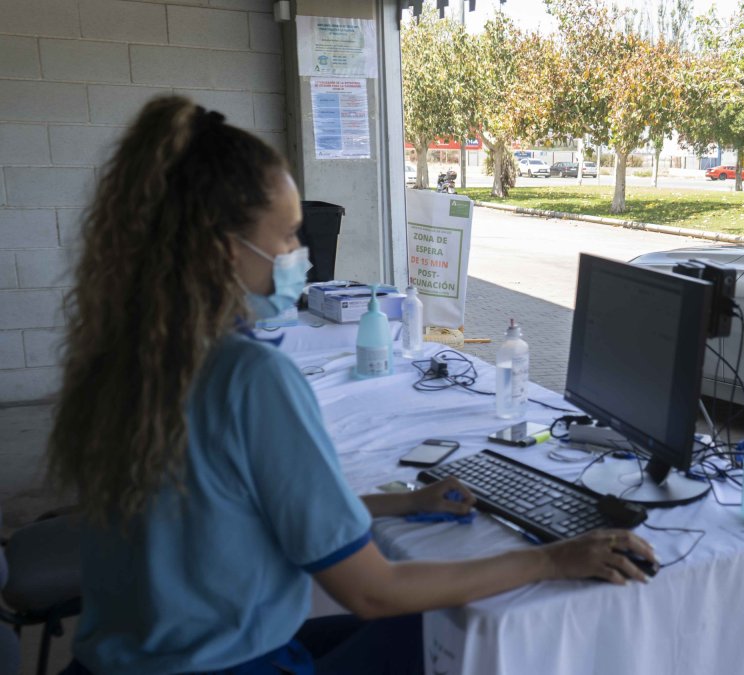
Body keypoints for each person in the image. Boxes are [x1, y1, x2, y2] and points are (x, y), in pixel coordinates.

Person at [47, 96, 655, 675]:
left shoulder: (129, 357)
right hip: (226, 664)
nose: (299, 254)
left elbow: (240, 512)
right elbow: (373, 590)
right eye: (287, 236)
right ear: (220, 251)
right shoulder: (248, 377)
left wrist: (400, 503)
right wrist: (552, 558)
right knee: (450, 629)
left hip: (124, 658)